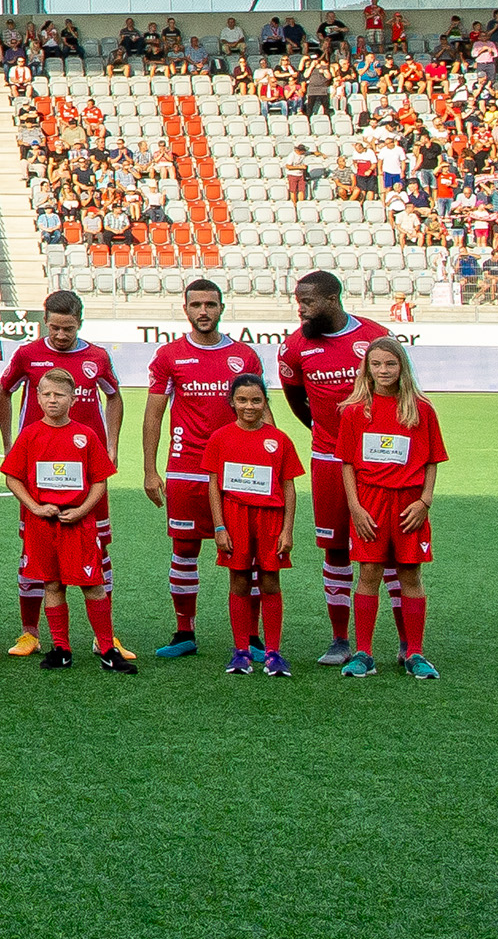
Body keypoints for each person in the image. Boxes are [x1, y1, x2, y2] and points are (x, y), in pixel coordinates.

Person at [140, 277, 265, 659]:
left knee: (247, 555)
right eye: (197, 305)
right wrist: (149, 469)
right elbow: (153, 415)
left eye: (210, 304)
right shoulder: (168, 356)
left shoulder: (244, 356)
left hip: (238, 471)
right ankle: (184, 631)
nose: (204, 312)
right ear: (186, 309)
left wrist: (269, 460)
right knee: (184, 550)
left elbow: (261, 410)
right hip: (186, 469)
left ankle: (251, 637)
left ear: (222, 307)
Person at [0, 286, 123, 656]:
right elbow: (3, 392)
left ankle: (106, 638)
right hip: (39, 475)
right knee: (33, 550)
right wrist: (8, 439)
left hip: (86, 473)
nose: (61, 335)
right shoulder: (28, 354)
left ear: (79, 323)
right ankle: (30, 632)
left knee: (98, 550)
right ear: (44, 322)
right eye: (54, 327)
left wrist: (111, 443)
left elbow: (114, 396)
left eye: (68, 328)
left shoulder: (97, 357)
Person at [277, 269, 392, 666]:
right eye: (298, 301)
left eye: (307, 301)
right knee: (335, 549)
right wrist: (320, 429)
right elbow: (295, 398)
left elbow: (400, 392)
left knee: (386, 548)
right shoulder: (295, 347)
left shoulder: (374, 337)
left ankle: (403, 640)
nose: (301, 309)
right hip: (327, 459)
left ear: (332, 299)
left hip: (377, 461)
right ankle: (340, 639)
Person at [0, 372, 132, 672]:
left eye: (59, 395)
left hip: (78, 523)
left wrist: (83, 509)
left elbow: (100, 480)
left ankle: (108, 649)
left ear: (73, 399)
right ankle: (61, 649)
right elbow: (12, 477)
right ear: (37, 398)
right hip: (43, 524)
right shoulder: (30, 434)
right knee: (52, 584)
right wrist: (34, 506)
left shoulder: (85, 435)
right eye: (46, 395)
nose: (52, 400)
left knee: (92, 584)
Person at [338, 337, 447, 679]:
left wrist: (424, 501)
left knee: (410, 575)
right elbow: (347, 465)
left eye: (390, 364)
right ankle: (364, 652)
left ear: (402, 367)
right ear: (366, 369)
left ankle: (414, 651)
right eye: (376, 364)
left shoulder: (421, 409)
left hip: (408, 504)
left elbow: (432, 460)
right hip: (370, 503)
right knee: (368, 574)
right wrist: (355, 507)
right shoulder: (355, 411)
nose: (383, 370)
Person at [198, 375, 303, 675]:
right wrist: (219, 527)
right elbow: (214, 485)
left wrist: (287, 529)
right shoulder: (221, 437)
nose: (249, 406)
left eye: (256, 400)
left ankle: (273, 652)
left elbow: (289, 486)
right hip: (235, 517)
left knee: (270, 582)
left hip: (270, 518)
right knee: (240, 581)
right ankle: (241, 651)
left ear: (265, 402)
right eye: (242, 400)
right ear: (231, 402)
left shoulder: (279, 439)